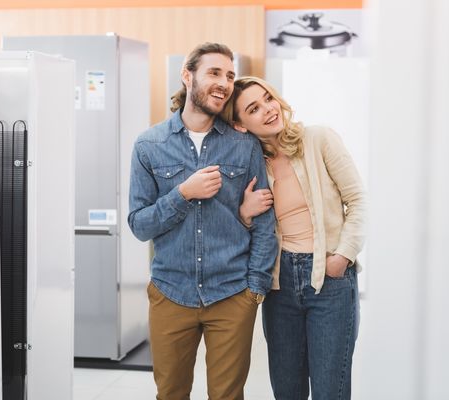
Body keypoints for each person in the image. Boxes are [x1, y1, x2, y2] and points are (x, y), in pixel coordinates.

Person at [128, 44, 278, 400]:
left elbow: (264, 220)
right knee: (171, 393)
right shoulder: (149, 145)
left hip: (231, 294)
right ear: (187, 75)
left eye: (229, 75)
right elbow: (139, 224)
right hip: (170, 294)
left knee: (227, 394)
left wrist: (253, 290)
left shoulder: (244, 146)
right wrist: (182, 194)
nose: (224, 83)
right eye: (214, 73)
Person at [223, 76, 365, 400]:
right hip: (279, 285)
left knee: (331, 390)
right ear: (241, 125)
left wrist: (342, 256)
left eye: (268, 98)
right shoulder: (250, 166)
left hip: (329, 278)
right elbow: (242, 235)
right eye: (253, 109)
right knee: (287, 391)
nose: (268, 110)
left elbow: (358, 200)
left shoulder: (319, 139)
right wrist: (244, 215)